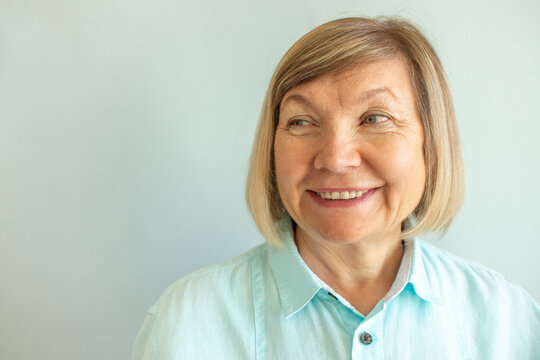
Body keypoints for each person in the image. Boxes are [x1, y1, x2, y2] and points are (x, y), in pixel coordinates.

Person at [132, 17, 540, 359]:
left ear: (431, 144)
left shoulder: (510, 321)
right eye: (301, 121)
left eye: (375, 118)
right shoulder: (186, 321)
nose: (335, 157)